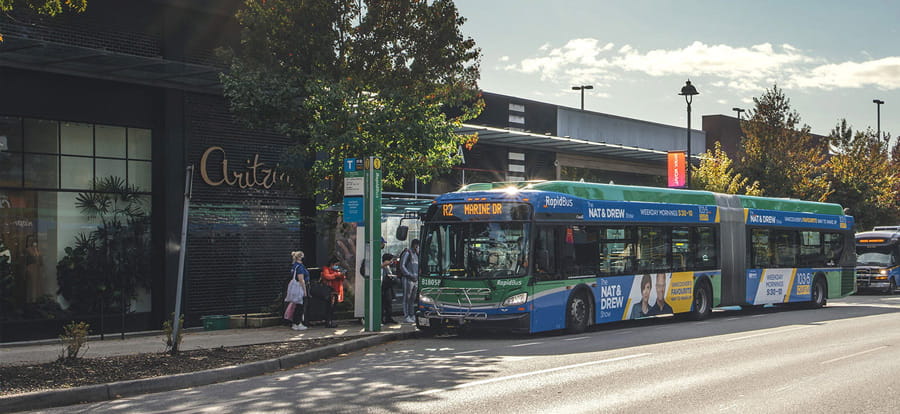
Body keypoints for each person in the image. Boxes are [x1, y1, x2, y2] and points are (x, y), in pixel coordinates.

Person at [320, 257, 347, 328]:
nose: (337, 266)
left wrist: (340, 274)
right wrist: (336, 274)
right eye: (336, 265)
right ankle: (328, 322)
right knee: (329, 306)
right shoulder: (326, 268)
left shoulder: (339, 268)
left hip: (337, 289)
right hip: (331, 290)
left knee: (333, 307)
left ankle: (331, 320)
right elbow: (327, 276)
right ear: (332, 264)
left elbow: (344, 275)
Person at [398, 239, 420, 323]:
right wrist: (409, 275)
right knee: (406, 298)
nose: (417, 247)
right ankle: (406, 316)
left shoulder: (417, 255)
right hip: (408, 279)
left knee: (412, 299)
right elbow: (402, 266)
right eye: (417, 245)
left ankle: (411, 314)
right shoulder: (408, 253)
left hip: (415, 279)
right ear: (414, 245)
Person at [286, 251, 309, 331]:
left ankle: (295, 322)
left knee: (296, 305)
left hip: (295, 287)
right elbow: (301, 279)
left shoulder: (294, 266)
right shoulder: (300, 267)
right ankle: (297, 322)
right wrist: (305, 290)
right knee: (300, 305)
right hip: (300, 287)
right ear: (300, 257)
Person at [381, 253, 398, 324]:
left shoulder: (387, 267)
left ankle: (389, 317)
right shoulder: (382, 267)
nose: (392, 262)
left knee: (388, 303)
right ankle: (381, 318)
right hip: (382, 286)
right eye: (390, 260)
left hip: (387, 286)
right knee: (382, 303)